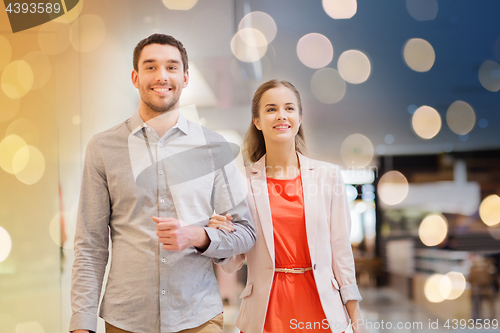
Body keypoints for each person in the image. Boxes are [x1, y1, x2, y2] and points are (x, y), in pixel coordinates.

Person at [70, 34, 256, 333]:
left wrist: (198, 236)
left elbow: (246, 233)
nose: (161, 76)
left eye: (171, 67)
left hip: (198, 316)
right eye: (150, 67)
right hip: (125, 319)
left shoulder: (214, 147)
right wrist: (82, 323)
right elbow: (90, 246)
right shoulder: (103, 148)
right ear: (136, 77)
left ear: (184, 77)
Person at [209, 80, 367, 333]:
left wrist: (356, 317)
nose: (281, 115)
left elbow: (341, 251)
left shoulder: (328, 175)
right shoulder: (241, 180)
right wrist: (220, 237)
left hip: (320, 306)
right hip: (267, 310)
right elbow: (231, 263)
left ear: (300, 117)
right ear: (258, 121)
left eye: (289, 108)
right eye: (271, 109)